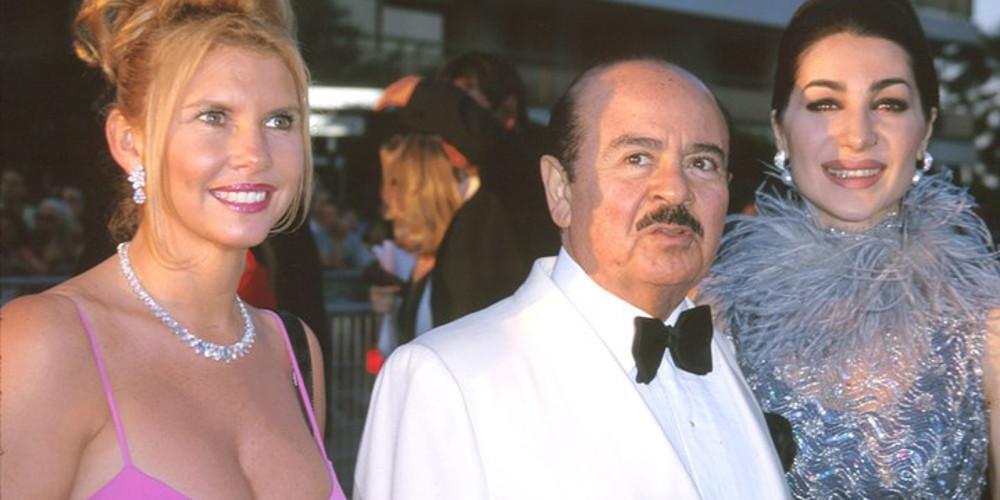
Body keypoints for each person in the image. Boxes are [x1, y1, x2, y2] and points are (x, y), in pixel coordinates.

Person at [354, 58, 789, 499]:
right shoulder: (444, 379)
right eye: (637, 158)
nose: (676, 189)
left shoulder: (734, 357)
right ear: (560, 190)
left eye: (702, 163)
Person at [0, 1, 346, 498]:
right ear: (129, 141)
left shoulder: (292, 350)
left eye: (279, 121)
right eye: (213, 116)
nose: (255, 154)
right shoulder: (47, 341)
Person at [699, 0, 1000, 497]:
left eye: (889, 104)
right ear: (780, 129)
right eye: (824, 103)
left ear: (926, 127)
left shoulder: (985, 320)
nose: (858, 136)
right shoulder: (714, 311)